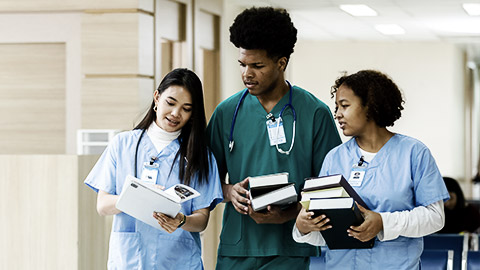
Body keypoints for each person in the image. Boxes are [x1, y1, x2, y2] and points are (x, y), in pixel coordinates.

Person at [206, 6, 341, 270]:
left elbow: (331, 187)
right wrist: (229, 191)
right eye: (242, 64)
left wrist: (288, 214)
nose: (247, 74)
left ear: (281, 63)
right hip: (238, 247)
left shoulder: (314, 113)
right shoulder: (226, 113)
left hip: (290, 248)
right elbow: (205, 180)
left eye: (257, 66)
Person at [293, 70, 450, 269]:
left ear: (370, 106)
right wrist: (304, 227)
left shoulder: (414, 153)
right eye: (337, 107)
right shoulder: (334, 158)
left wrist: (383, 222)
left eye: (345, 106)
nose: (337, 114)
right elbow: (328, 234)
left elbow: (435, 218)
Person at [84, 68, 223, 269]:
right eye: (171, 103)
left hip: (179, 262)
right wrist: (137, 195)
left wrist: (181, 220)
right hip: (129, 260)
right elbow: (103, 205)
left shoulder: (201, 156)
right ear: (157, 98)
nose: (176, 113)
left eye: (186, 108)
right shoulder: (122, 144)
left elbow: (202, 219)